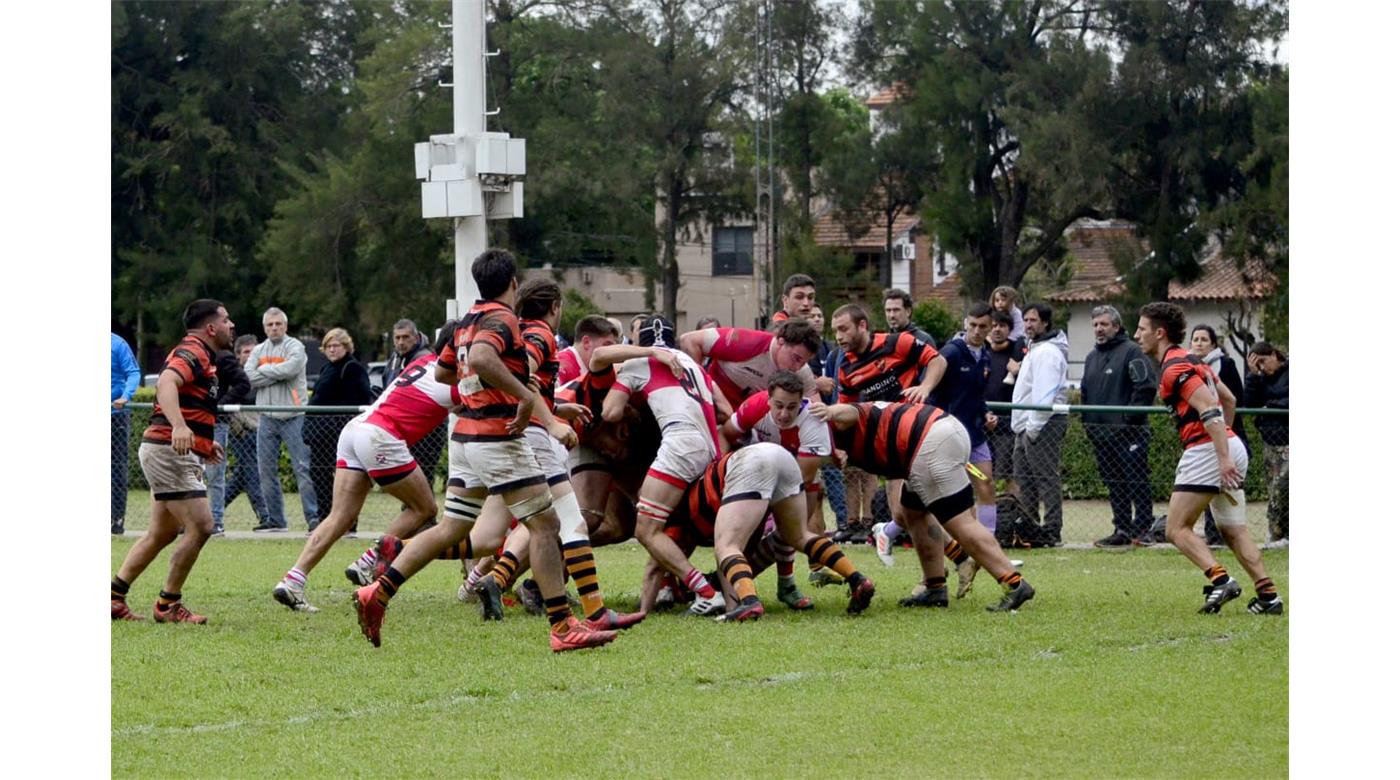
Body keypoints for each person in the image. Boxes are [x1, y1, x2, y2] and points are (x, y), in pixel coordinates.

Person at [352, 248, 619, 652]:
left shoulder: (466, 321)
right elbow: (481, 357)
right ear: (513, 283)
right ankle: (564, 626)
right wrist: (529, 403)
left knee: (454, 528)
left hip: (465, 438)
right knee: (545, 526)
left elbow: (445, 371)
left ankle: (380, 592)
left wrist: (493, 390)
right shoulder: (503, 318)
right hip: (496, 438)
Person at [273, 333, 459, 613]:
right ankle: (368, 561)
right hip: (380, 434)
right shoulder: (451, 379)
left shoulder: (420, 363)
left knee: (340, 516)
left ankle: (293, 580)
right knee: (424, 508)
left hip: (356, 428)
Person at [809, 399, 1036, 613]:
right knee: (913, 512)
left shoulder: (829, 421)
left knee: (960, 523)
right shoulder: (821, 436)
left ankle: (1014, 583)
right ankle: (935, 587)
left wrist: (829, 412)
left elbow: (851, 411)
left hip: (929, 442)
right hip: (941, 431)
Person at [1134, 302, 1282, 615]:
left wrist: (1221, 455)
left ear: (1160, 333)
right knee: (1234, 530)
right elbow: (1228, 399)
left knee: (1176, 528)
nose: (1137, 335)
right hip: (1226, 446)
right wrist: (1226, 442)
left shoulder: (1175, 368)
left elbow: (1210, 408)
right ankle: (1268, 597)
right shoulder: (1194, 361)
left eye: (1142, 329)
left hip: (1210, 450)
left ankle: (1221, 580)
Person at [111, 299, 235, 624]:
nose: (231, 325)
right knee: (202, 525)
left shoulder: (204, 355)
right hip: (168, 449)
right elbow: (167, 383)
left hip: (167, 449)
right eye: (226, 320)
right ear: (211, 327)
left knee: (161, 533)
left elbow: (191, 403)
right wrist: (179, 427)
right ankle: (167, 605)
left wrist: (202, 444)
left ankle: (113, 598)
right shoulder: (193, 351)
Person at [593, 316, 728, 616]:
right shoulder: (694, 365)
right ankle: (668, 592)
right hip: (709, 448)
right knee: (668, 526)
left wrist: (634, 404)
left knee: (645, 530)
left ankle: (705, 592)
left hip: (680, 444)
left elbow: (611, 412)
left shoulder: (637, 363)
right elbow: (725, 412)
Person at [873, 303, 996, 586]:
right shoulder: (951, 353)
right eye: (973, 325)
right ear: (966, 322)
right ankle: (889, 532)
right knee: (926, 504)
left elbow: (976, 394)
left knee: (986, 483)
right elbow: (927, 387)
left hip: (974, 436)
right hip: (943, 437)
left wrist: (985, 412)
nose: (977, 331)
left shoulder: (984, 356)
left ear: (991, 328)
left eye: (983, 327)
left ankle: (988, 547)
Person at [832, 302, 947, 560]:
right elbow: (845, 411)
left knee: (937, 503)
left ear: (862, 326)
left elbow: (938, 361)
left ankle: (955, 562)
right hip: (892, 444)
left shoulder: (897, 343)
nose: (838, 336)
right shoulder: (846, 369)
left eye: (843, 329)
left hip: (921, 432)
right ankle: (956, 558)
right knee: (903, 511)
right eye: (835, 331)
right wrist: (840, 446)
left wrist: (925, 387)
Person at [1080, 304, 1158, 548]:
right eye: (1095, 325)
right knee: (1114, 484)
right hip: (1101, 436)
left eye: (1104, 324)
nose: (1099, 329)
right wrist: (1089, 426)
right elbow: (1085, 393)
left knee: (1137, 481)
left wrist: (1127, 421)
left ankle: (1144, 529)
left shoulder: (1133, 352)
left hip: (1130, 434)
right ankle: (1122, 529)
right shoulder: (1091, 357)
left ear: (1116, 325)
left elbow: (1145, 388)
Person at [245, 307, 318, 532]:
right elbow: (248, 374)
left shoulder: (296, 346)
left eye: (278, 324)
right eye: (270, 325)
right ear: (264, 327)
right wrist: (276, 372)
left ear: (285, 326)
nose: (274, 328)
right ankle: (276, 520)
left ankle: (314, 519)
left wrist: (264, 370)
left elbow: (292, 369)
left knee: (303, 469)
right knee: (265, 470)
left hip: (294, 415)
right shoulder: (258, 349)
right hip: (266, 417)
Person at [1009, 302, 1069, 547]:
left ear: (1045, 323)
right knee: (1025, 480)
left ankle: (1052, 529)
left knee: (1045, 478)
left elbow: (1045, 395)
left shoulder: (1048, 353)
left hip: (1042, 424)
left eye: (1033, 320)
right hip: (1026, 425)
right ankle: (1030, 527)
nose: (1028, 324)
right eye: (1025, 320)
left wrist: (1032, 429)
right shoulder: (1034, 349)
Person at [306, 328, 375, 528]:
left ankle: (347, 521)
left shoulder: (353, 368)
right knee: (319, 475)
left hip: (340, 432)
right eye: (328, 346)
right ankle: (325, 518)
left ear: (346, 346)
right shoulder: (327, 368)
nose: (332, 350)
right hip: (321, 433)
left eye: (336, 345)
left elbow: (362, 398)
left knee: (346, 479)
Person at [677, 320, 820, 410]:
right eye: (795, 358)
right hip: (715, 410)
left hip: (751, 424)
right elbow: (688, 340)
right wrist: (700, 392)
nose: (797, 368)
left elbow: (817, 410)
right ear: (781, 342)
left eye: (804, 362)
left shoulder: (802, 371)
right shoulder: (745, 342)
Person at [1190, 325, 1249, 546]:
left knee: (1228, 487)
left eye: (1204, 339)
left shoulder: (1225, 365)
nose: (1199, 343)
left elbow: (1233, 399)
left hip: (1225, 433)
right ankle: (1212, 534)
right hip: (1201, 436)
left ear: (1214, 344)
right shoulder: (1188, 366)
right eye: (1195, 339)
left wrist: (1225, 432)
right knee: (1205, 485)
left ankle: (1230, 533)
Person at [218, 335, 272, 530]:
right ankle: (265, 515)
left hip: (262, 429)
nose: (251, 356)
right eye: (246, 352)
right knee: (250, 471)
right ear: (238, 355)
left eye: (254, 351)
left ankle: (210, 511)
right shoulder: (235, 376)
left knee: (243, 475)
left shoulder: (263, 374)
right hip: (242, 431)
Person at [205, 336, 254, 536]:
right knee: (191, 472)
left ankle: (216, 521)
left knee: (215, 473)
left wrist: (220, 405)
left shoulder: (223, 357)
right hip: (193, 421)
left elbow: (243, 384)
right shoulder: (191, 355)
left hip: (216, 422)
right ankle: (191, 519)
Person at [1245, 341, 1289, 547]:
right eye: (1257, 364)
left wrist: (1269, 404)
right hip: (1270, 440)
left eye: (1263, 361)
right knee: (1273, 489)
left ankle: (1284, 533)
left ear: (1274, 355)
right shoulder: (1260, 379)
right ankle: (1275, 533)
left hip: (1288, 438)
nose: (1262, 367)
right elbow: (1250, 402)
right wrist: (1253, 376)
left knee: (1284, 488)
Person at [984, 309, 1027, 489]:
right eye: (993, 326)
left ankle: (1007, 513)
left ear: (1010, 329)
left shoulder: (1018, 354)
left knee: (1006, 475)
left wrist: (1018, 372)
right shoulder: (982, 354)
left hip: (1007, 425)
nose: (997, 329)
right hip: (983, 422)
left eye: (1002, 326)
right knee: (983, 475)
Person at [111, 332, 142, 535]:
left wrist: (126, 396)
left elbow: (133, 372)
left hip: (115, 414)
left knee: (116, 468)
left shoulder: (117, 344)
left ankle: (116, 519)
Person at [384, 319, 432, 386]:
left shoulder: (425, 358)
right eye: (397, 338)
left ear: (416, 338)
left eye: (405, 337)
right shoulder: (395, 357)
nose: (401, 342)